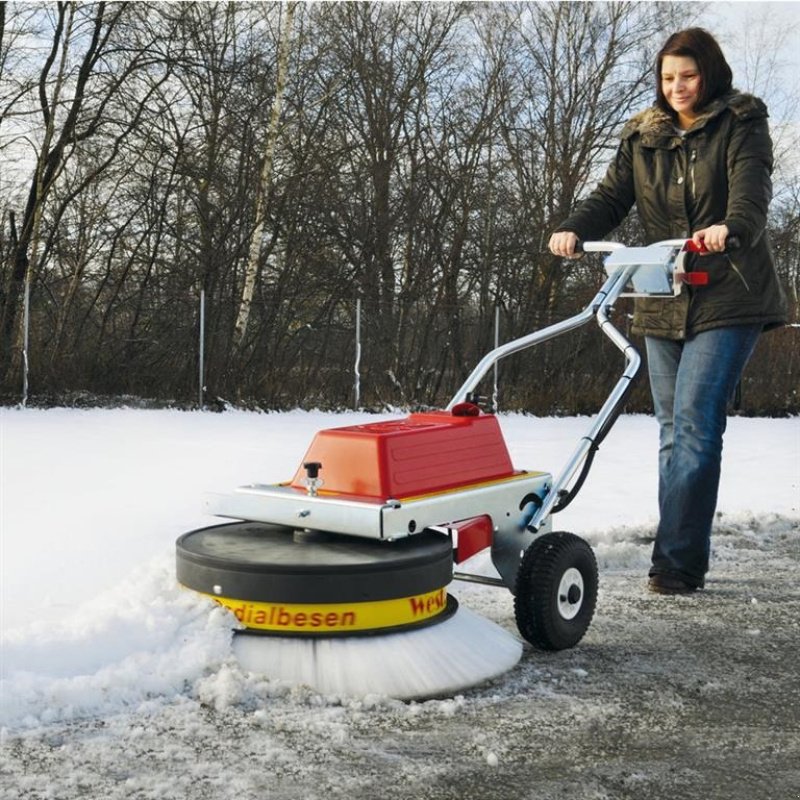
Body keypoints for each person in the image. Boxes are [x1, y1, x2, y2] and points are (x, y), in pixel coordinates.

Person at [548, 28, 786, 595]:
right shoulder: (643, 136)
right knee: (671, 432)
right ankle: (679, 554)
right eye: (668, 77)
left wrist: (730, 229)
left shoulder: (741, 123)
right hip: (661, 291)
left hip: (729, 291)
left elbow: (751, 194)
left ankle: (676, 564)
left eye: (688, 75)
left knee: (697, 427)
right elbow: (610, 197)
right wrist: (574, 229)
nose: (677, 87)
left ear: (710, 74)